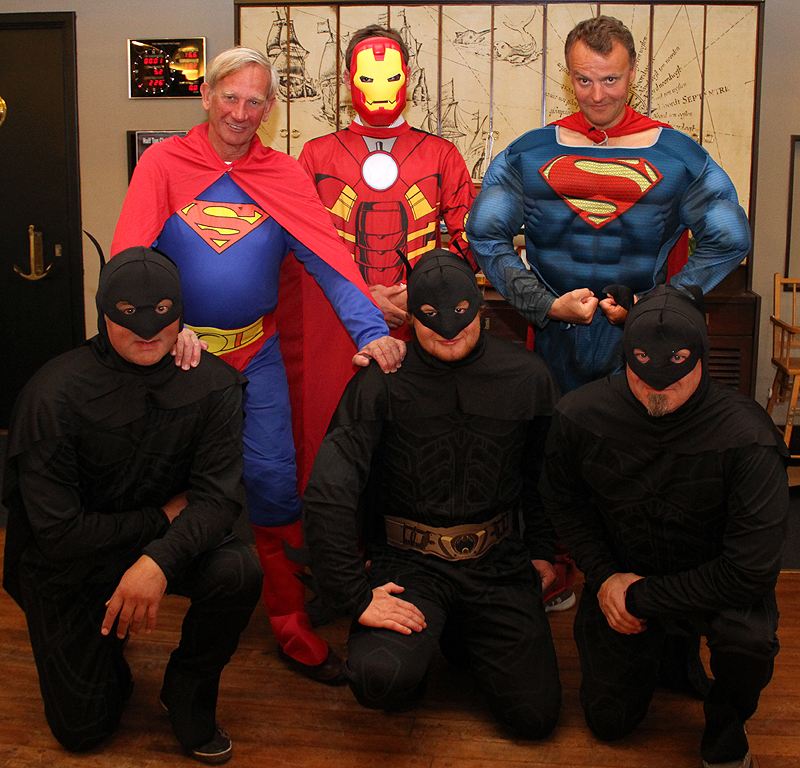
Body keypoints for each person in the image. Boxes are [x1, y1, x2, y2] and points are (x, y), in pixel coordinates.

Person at [112, 47, 406, 684]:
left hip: (256, 356)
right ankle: (118, 611)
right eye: (230, 97)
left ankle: (289, 621)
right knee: (151, 486)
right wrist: (167, 329)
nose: (240, 113)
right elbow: (131, 262)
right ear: (207, 96)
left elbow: (327, 258)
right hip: (179, 361)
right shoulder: (163, 163)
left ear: (269, 108)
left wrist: (372, 332)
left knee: (274, 483)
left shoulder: (282, 174)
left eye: (254, 101)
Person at [2, 247, 262, 764]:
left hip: (162, 546)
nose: (147, 329)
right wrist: (160, 519)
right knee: (83, 730)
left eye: (162, 312)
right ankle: (104, 651)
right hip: (70, 564)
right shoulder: (53, 395)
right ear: (103, 311)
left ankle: (187, 690)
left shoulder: (212, 383)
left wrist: (157, 562)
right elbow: (58, 534)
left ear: (181, 312)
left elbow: (216, 501)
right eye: (128, 314)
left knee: (236, 569)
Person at [303, 249, 562, 738]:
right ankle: (432, 648)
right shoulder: (381, 381)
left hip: (498, 565)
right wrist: (354, 595)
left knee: (534, 718)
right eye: (430, 318)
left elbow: (544, 474)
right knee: (381, 681)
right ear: (410, 318)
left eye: (460, 315)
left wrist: (543, 551)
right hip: (408, 566)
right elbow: (329, 493)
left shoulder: (527, 376)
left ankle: (462, 637)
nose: (448, 331)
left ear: (480, 309)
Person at [540, 285, 788, 768]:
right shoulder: (581, 415)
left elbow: (750, 571)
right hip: (622, 570)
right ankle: (668, 650)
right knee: (609, 721)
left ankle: (726, 727)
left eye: (676, 371)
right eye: (642, 370)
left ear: (702, 358)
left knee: (749, 640)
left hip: (713, 584)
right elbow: (562, 501)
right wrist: (605, 577)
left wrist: (637, 597)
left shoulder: (748, 437)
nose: (658, 387)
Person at [466, 14, 751, 395]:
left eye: (610, 80)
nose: (597, 96)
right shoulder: (528, 153)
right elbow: (484, 233)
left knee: (634, 432)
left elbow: (730, 238)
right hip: (555, 337)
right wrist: (545, 305)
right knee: (556, 430)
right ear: (569, 76)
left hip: (642, 340)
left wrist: (656, 304)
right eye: (584, 80)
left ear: (632, 72)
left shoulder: (677, 156)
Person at [298, 24, 476, 340]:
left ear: (407, 77)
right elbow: (303, 242)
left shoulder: (441, 155)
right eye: (367, 77)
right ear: (348, 79)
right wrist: (357, 295)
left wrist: (420, 291)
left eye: (391, 76)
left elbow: (472, 237)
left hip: (421, 320)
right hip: (340, 320)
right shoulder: (316, 155)